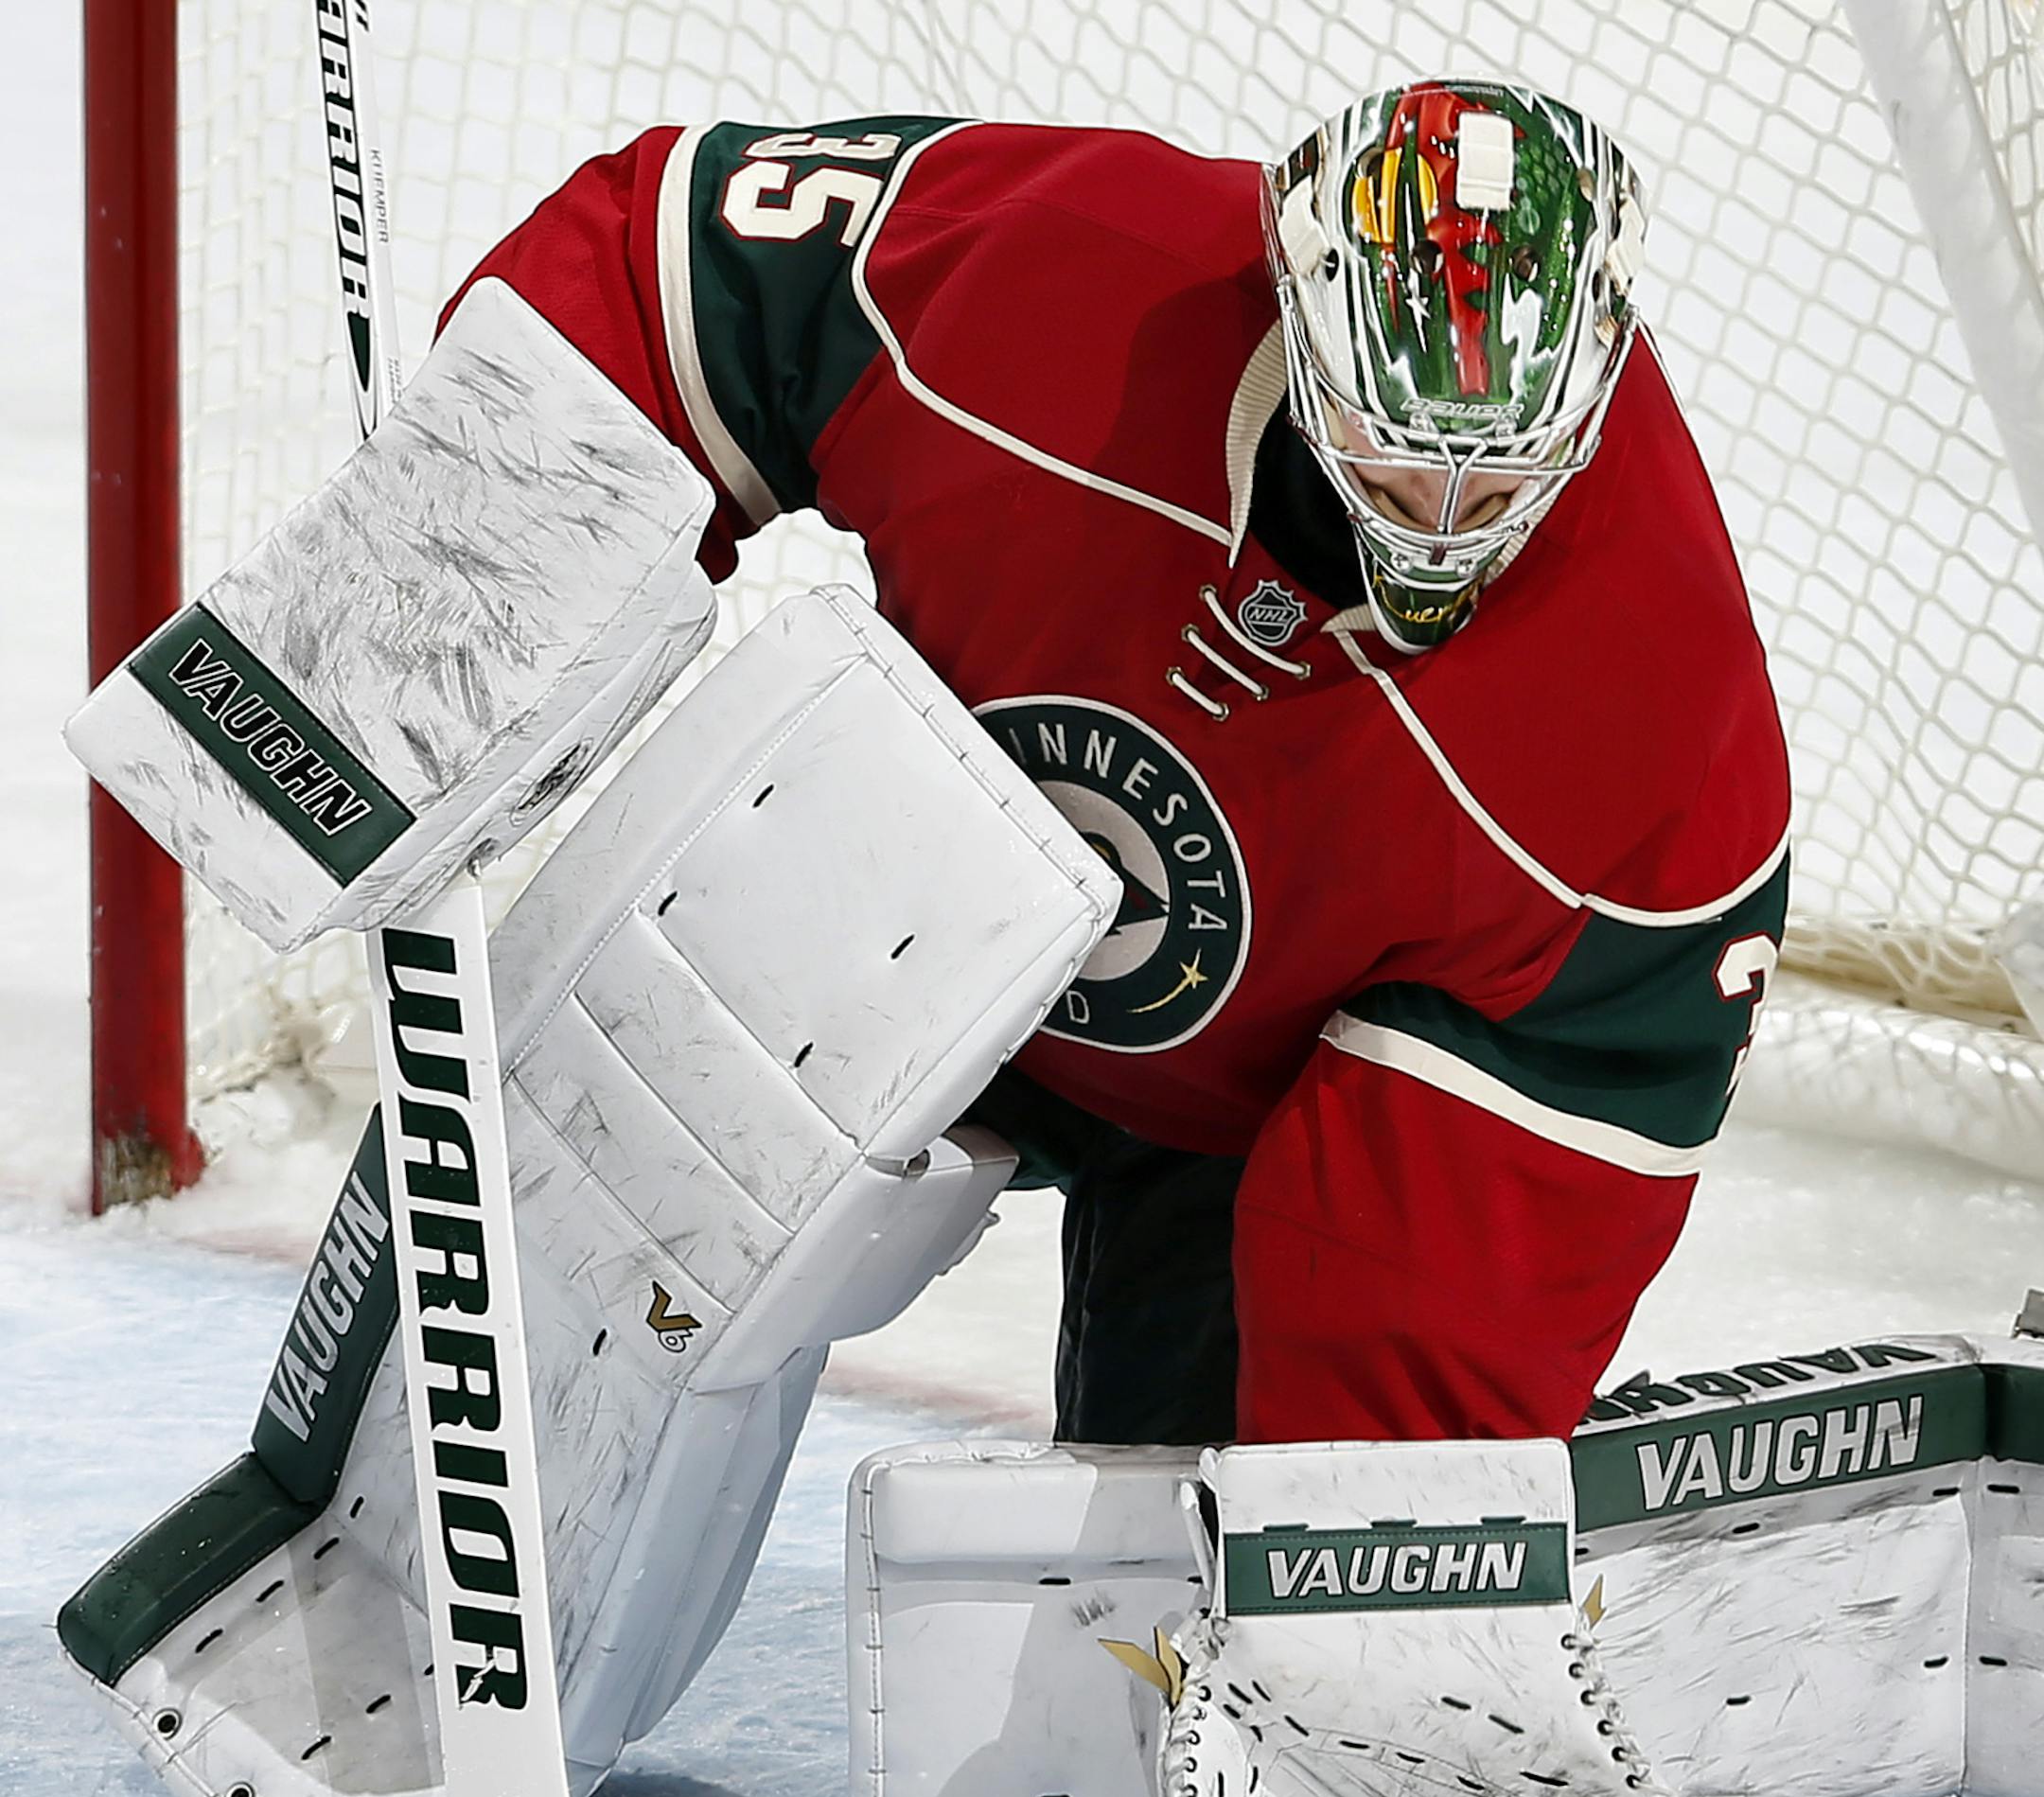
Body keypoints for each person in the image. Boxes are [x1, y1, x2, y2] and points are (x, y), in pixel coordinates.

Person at [437, 79, 1789, 1448]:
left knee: (1214, 1527)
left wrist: (1383, 1497)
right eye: (1391, 466)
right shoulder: (1077, 271)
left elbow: (1573, 1085)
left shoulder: (1657, 697)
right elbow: (675, 274)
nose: (1439, 527)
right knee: (608, 1188)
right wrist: (448, 583)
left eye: (1496, 484)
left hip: (1261, 1113)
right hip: (896, 895)